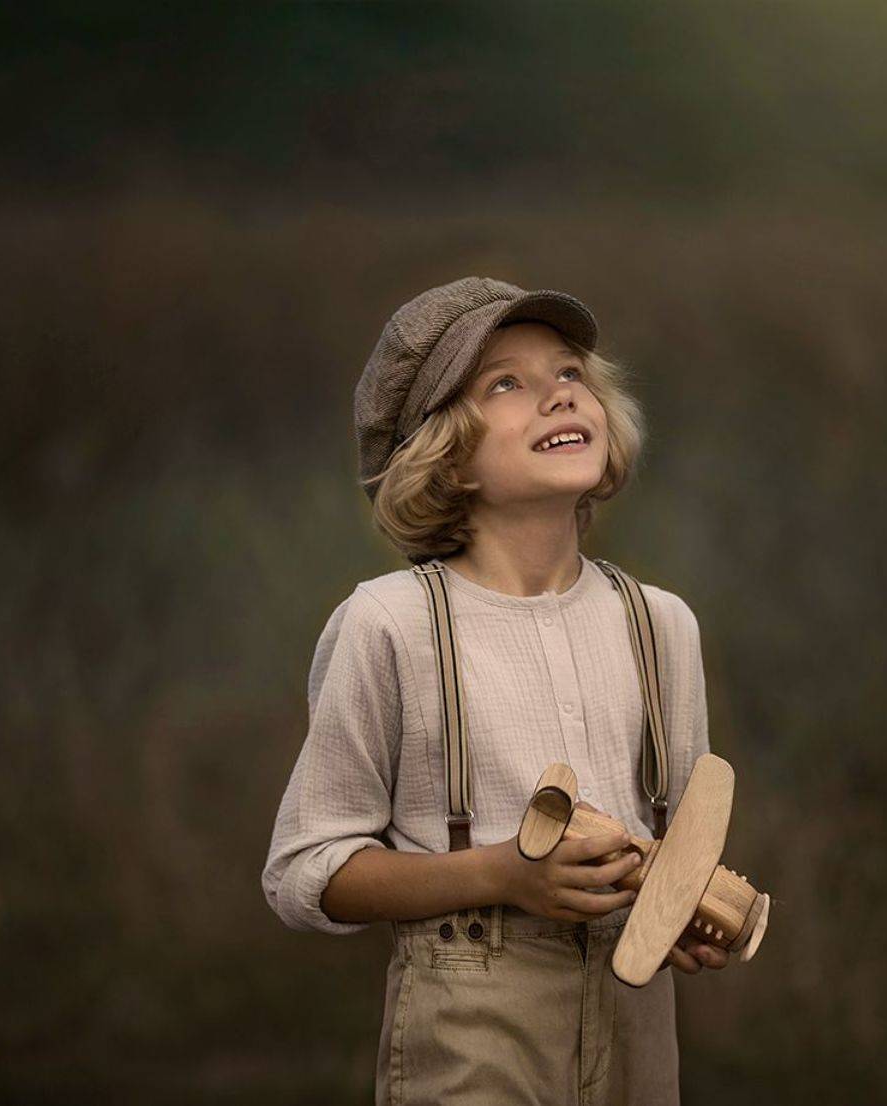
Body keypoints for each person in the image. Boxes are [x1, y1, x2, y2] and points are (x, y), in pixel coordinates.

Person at [262, 276, 726, 1105]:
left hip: (638, 1026)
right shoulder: (389, 625)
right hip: (471, 1024)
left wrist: (685, 908)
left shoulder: (663, 626)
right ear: (446, 454)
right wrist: (503, 875)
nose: (557, 394)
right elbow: (307, 870)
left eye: (570, 373)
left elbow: (676, 839)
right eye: (505, 383)